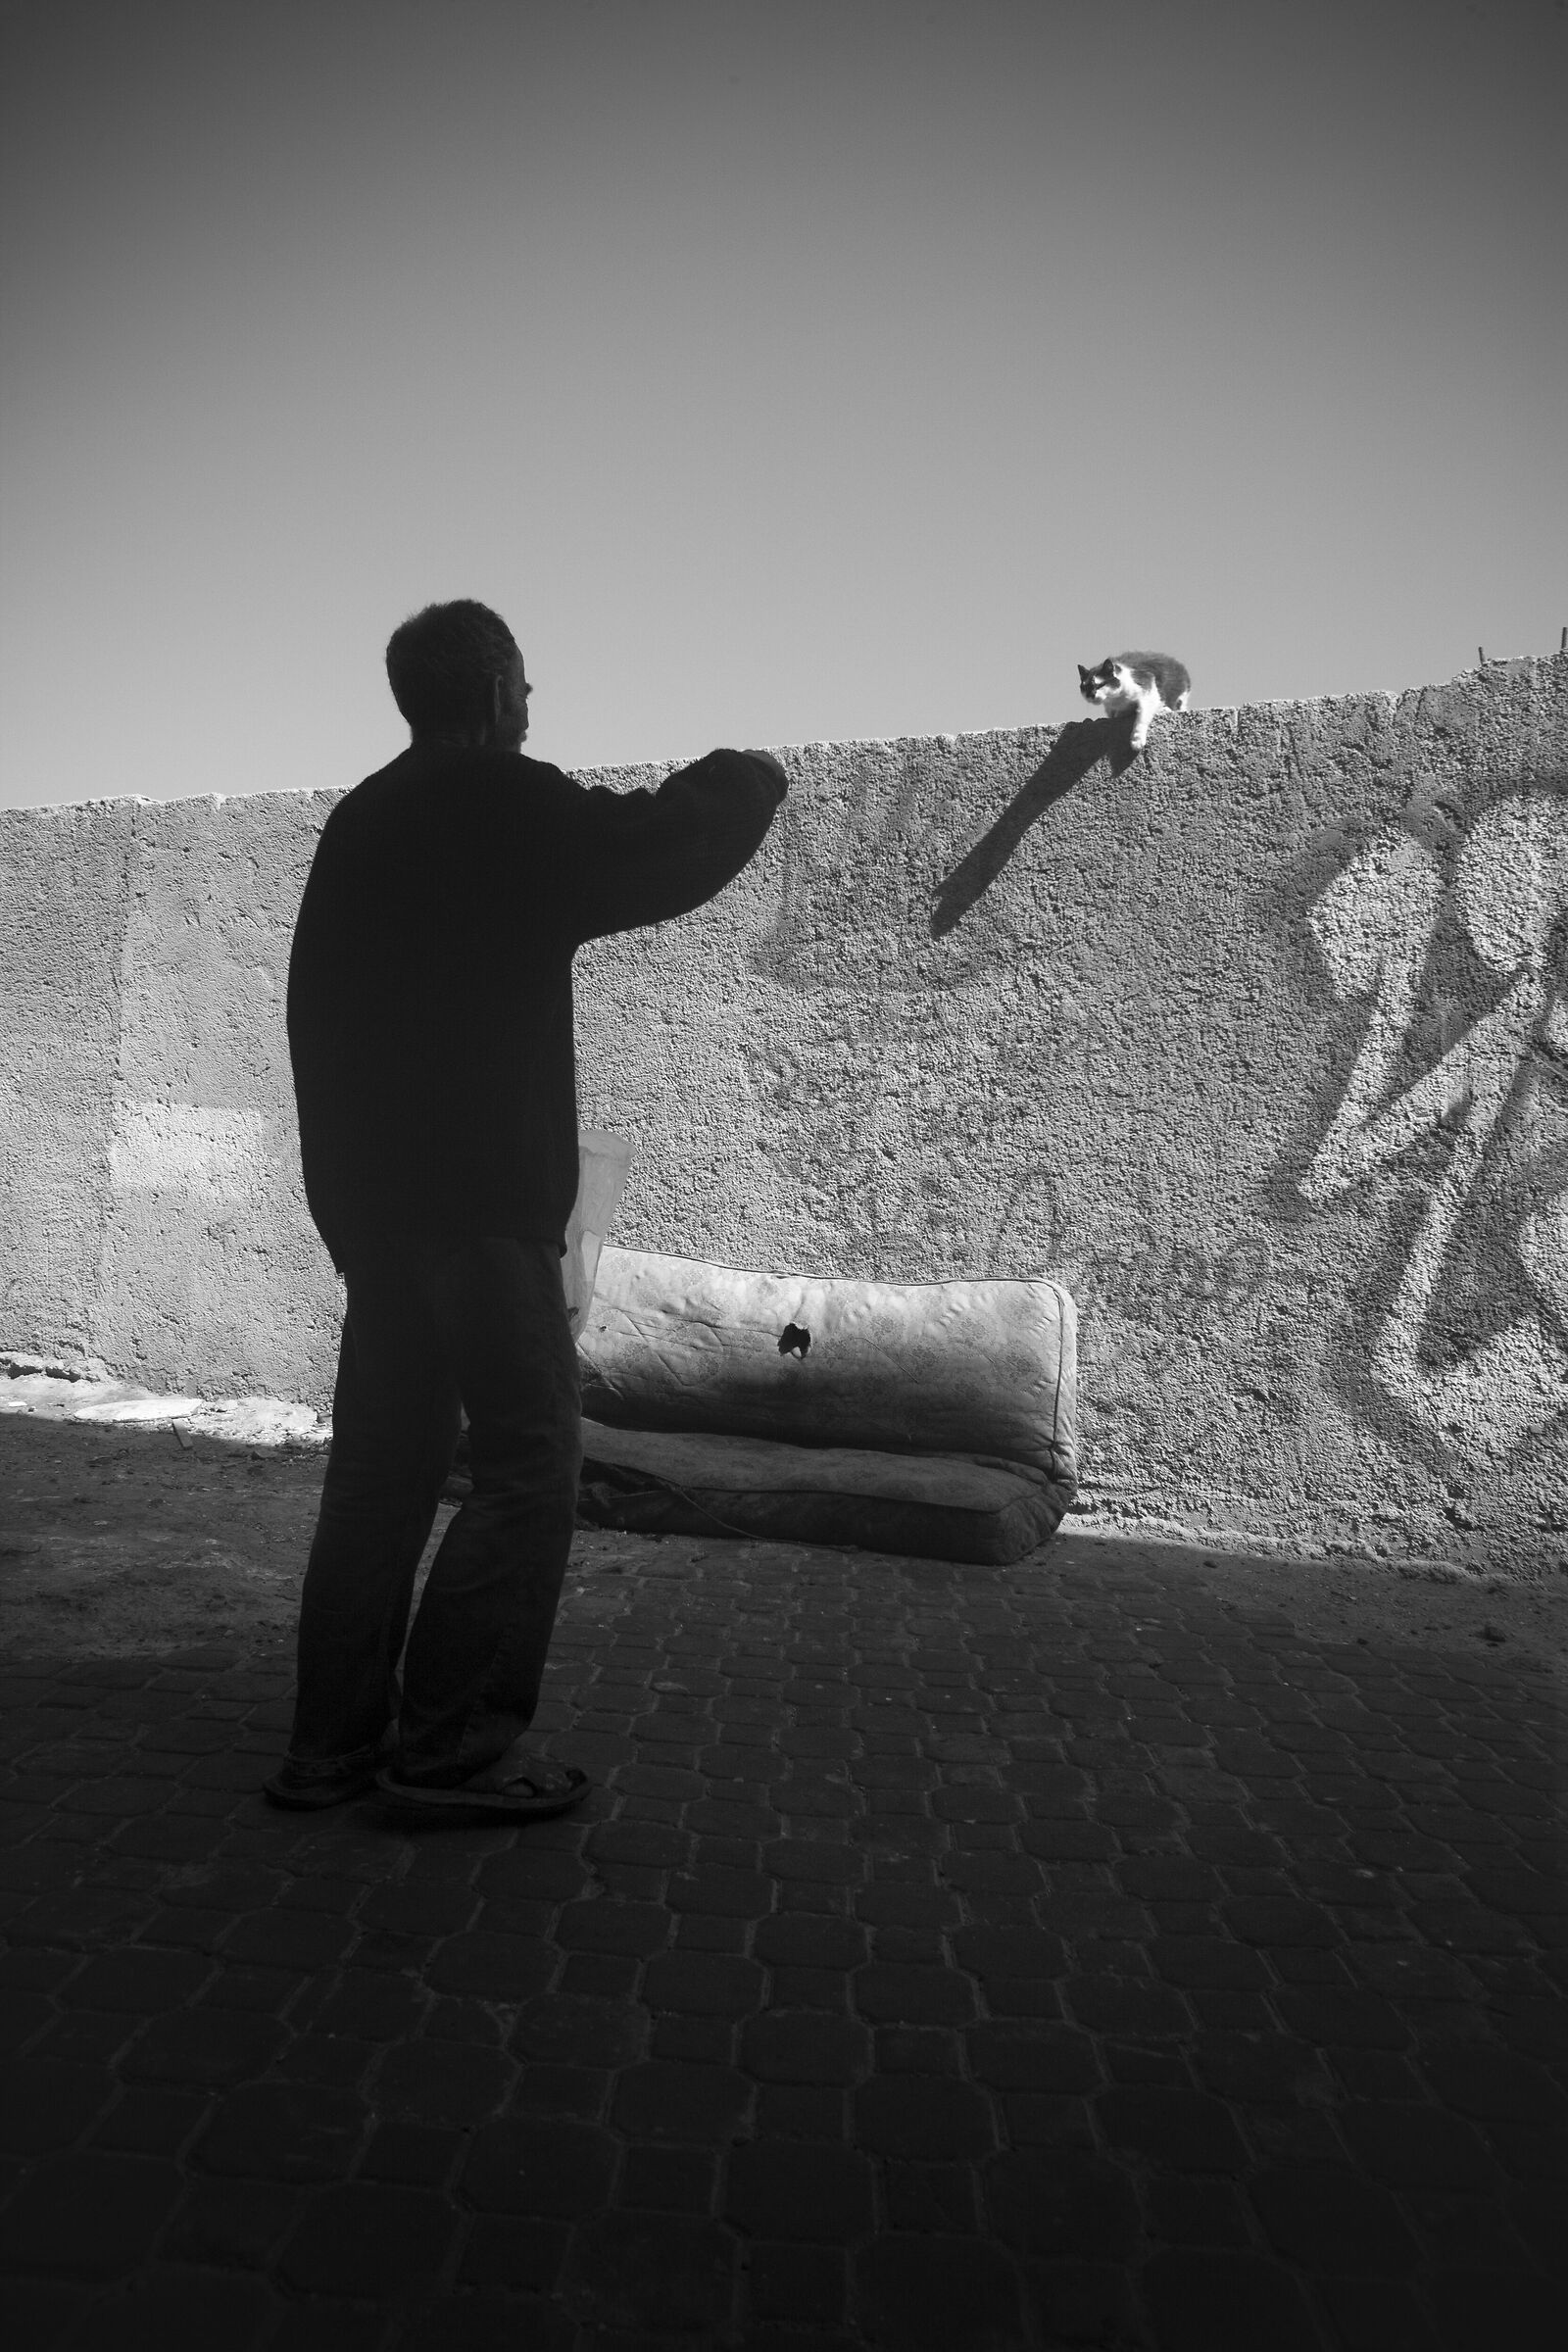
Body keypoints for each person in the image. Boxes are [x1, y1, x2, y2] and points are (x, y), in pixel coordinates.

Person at [266, 600, 787, 1825]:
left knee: (380, 1477)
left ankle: (328, 1749)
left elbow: (312, 1020)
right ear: (497, 688)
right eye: (528, 687)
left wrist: (346, 1201)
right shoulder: (500, 803)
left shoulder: (362, 821)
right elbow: (664, 845)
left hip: (378, 1216)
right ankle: (450, 1751)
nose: (534, 707)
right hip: (479, 1214)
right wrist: (751, 772)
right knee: (530, 1464)